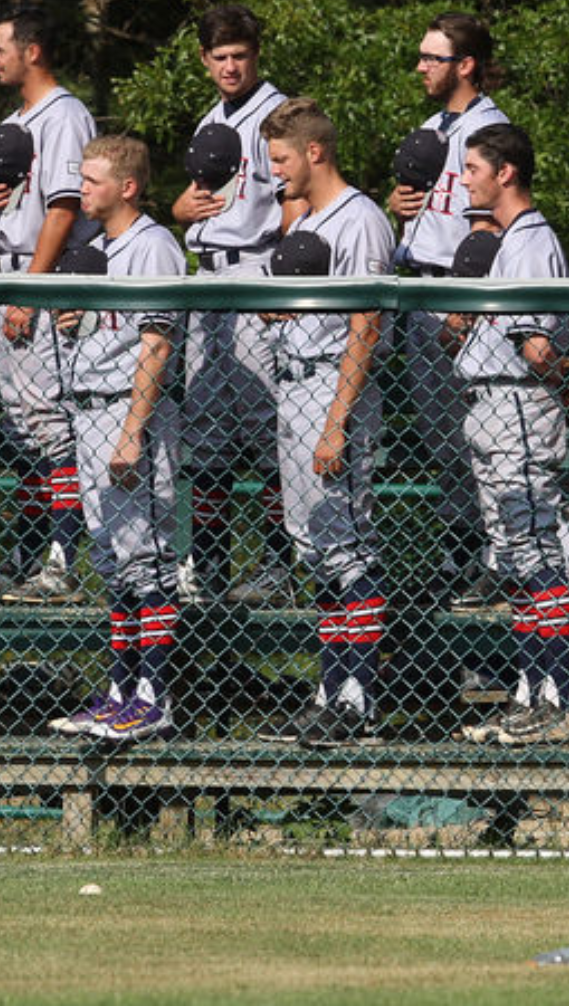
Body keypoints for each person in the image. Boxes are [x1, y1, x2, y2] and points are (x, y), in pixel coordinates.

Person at [251, 98, 396, 748]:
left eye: (280, 157)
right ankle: (329, 689)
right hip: (295, 385)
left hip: (333, 392)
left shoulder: (359, 218)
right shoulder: (307, 218)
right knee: (318, 551)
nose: (273, 170)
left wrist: (337, 421)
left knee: (347, 545)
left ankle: (357, 697)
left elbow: (366, 322)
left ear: (314, 152)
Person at [439, 124, 569, 745]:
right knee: (517, 555)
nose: (464, 178)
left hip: (519, 404)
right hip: (493, 404)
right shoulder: (508, 241)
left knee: (534, 551)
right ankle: (532, 690)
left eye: (473, 168)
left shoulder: (530, 242)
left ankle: (555, 695)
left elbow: (537, 346)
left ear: (506, 173)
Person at [47, 136, 186, 743]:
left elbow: (156, 342)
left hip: (132, 416)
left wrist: (132, 432)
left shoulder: (152, 245)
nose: (84, 189)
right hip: (88, 411)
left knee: (145, 557)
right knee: (113, 562)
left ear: (127, 187)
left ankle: (154, 696)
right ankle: (120, 690)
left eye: (94, 180)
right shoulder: (95, 249)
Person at [169, 4, 297, 608]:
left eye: (239, 54)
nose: (229, 66)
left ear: (256, 53)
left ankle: (278, 562)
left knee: (266, 425)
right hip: (208, 277)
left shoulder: (279, 113)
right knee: (207, 430)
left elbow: (294, 197)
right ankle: (211, 565)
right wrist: (179, 212)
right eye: (218, 56)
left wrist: (283, 275)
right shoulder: (208, 119)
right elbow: (194, 201)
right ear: (204, 60)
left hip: (257, 270)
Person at [0, 4, 99, 604]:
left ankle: (62, 560)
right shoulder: (17, 117)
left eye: (0, 48)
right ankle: (29, 555)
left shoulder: (64, 115)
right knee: (24, 431)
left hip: (37, 282)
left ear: (34, 51)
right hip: (10, 277)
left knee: (52, 426)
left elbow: (63, 208)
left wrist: (32, 288)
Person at [386, 12, 510, 607]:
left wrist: (465, 304)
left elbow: (487, 225)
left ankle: (491, 561)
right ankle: (459, 557)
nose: (420, 67)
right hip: (423, 290)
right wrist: (400, 204)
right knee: (444, 443)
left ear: (465, 65)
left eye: (432, 58)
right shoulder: (434, 125)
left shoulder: (488, 129)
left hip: (459, 299)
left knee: (475, 441)